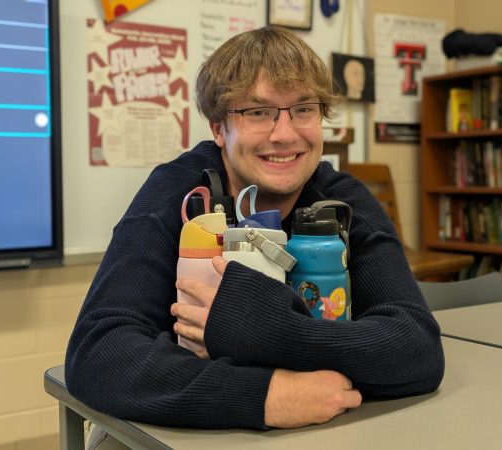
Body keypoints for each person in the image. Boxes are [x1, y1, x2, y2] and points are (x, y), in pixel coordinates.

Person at [65, 26, 444, 440]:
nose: (284, 134)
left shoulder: (342, 201)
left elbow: (416, 347)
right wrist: (261, 395)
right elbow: (98, 354)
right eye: (257, 112)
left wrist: (273, 332)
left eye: (303, 109)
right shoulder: (177, 194)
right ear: (217, 128)